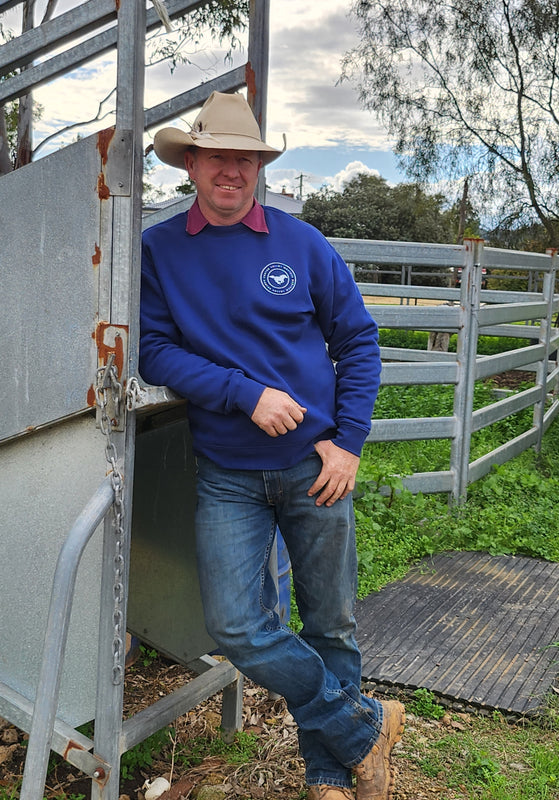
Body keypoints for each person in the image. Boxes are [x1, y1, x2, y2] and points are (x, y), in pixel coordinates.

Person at [139, 91, 405, 800]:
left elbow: (359, 341)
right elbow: (154, 353)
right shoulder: (159, 250)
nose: (232, 169)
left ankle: (330, 772)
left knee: (331, 620)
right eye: (218, 156)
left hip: (315, 465)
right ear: (190, 163)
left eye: (246, 158)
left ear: (259, 166)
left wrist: (348, 444)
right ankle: (365, 726)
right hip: (227, 471)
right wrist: (242, 392)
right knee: (235, 625)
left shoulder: (301, 243)